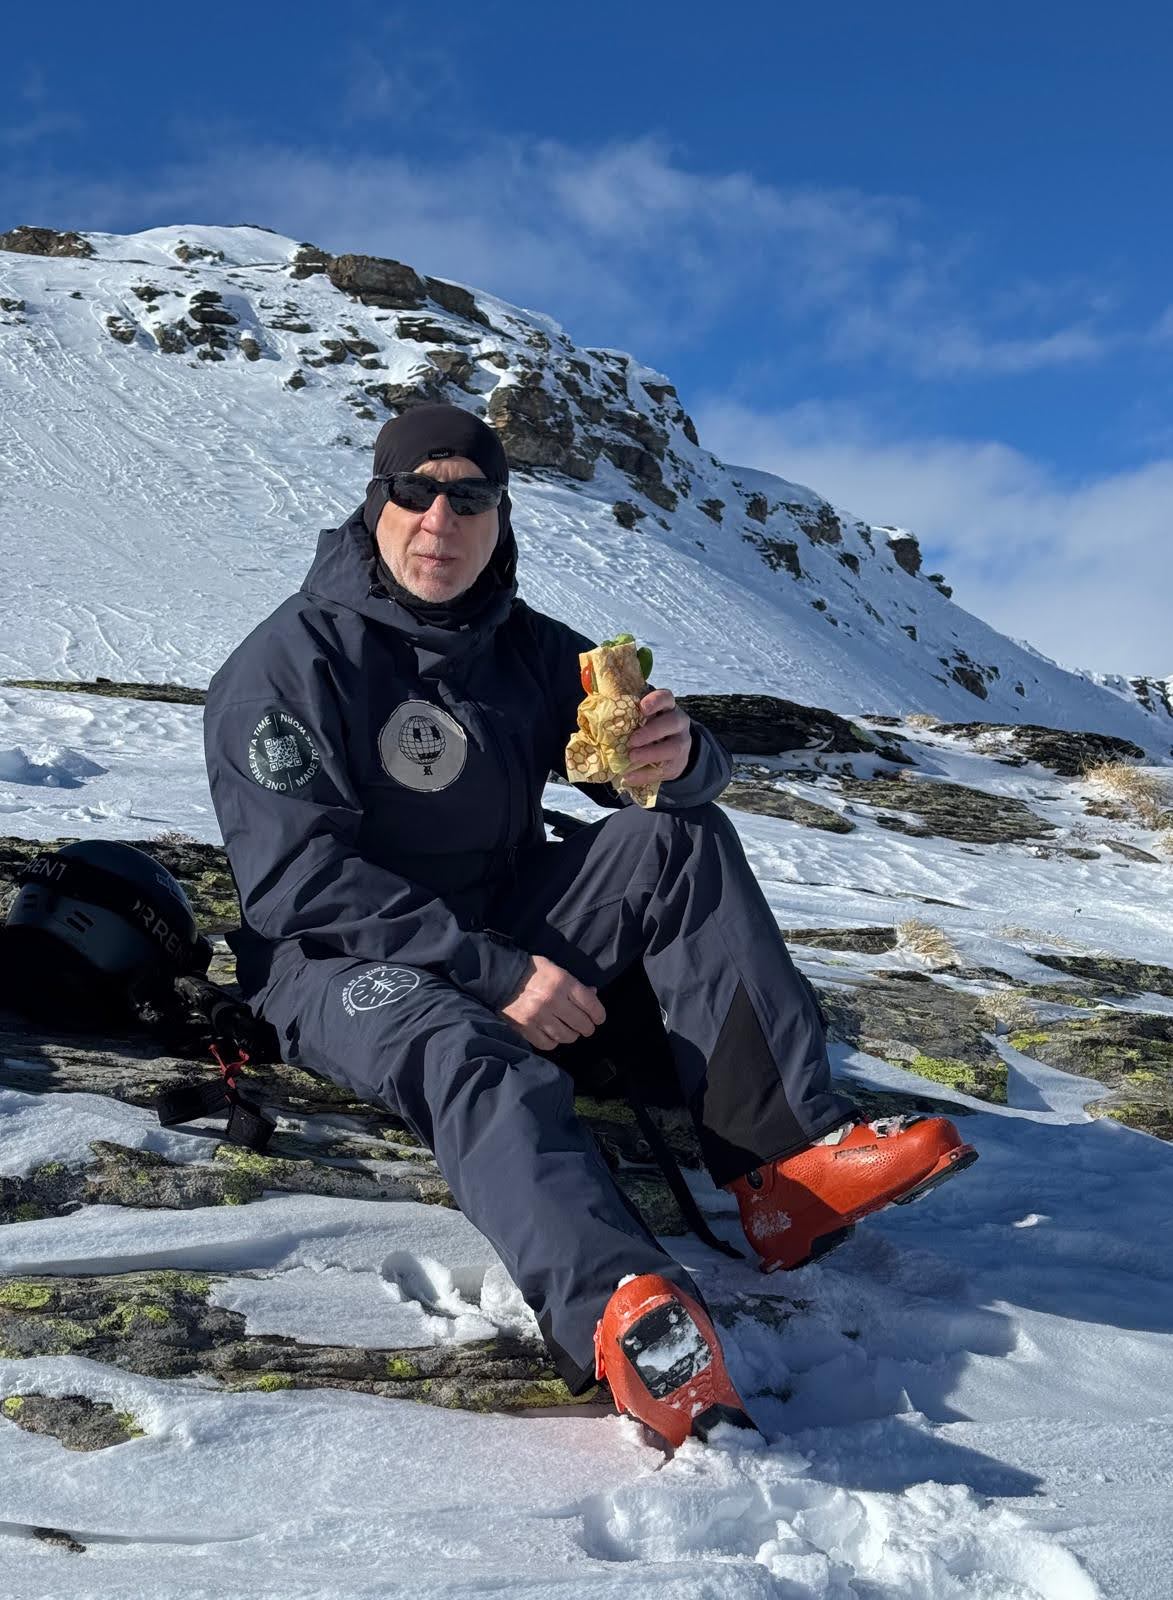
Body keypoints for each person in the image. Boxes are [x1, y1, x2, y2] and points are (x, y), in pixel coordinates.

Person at [204, 404, 976, 1445]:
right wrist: (494, 972)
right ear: (376, 502)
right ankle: (623, 1309)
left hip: (506, 912)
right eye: (415, 491)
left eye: (469, 495)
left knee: (678, 841)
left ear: (501, 511)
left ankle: (787, 1168)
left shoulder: (527, 650)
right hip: (339, 959)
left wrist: (682, 754)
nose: (442, 517)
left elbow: (665, 767)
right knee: (462, 1043)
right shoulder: (289, 660)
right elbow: (297, 881)